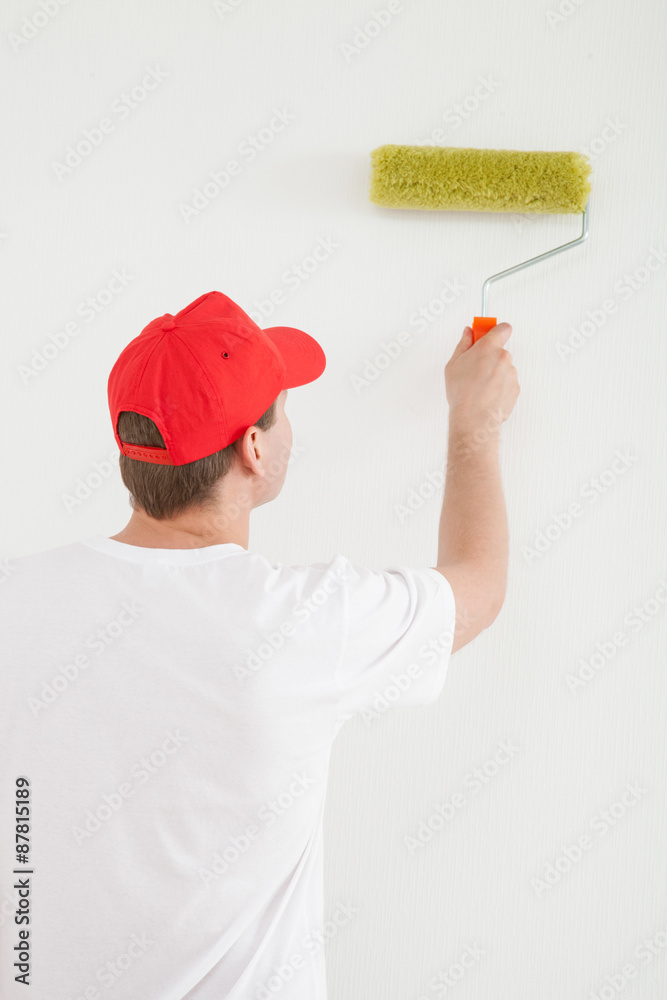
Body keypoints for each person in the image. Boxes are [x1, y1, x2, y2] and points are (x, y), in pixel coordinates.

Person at [0, 290, 519, 999]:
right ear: (252, 447)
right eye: (283, 413)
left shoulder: (17, 599)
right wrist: (473, 427)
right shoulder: (304, 625)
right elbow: (478, 587)